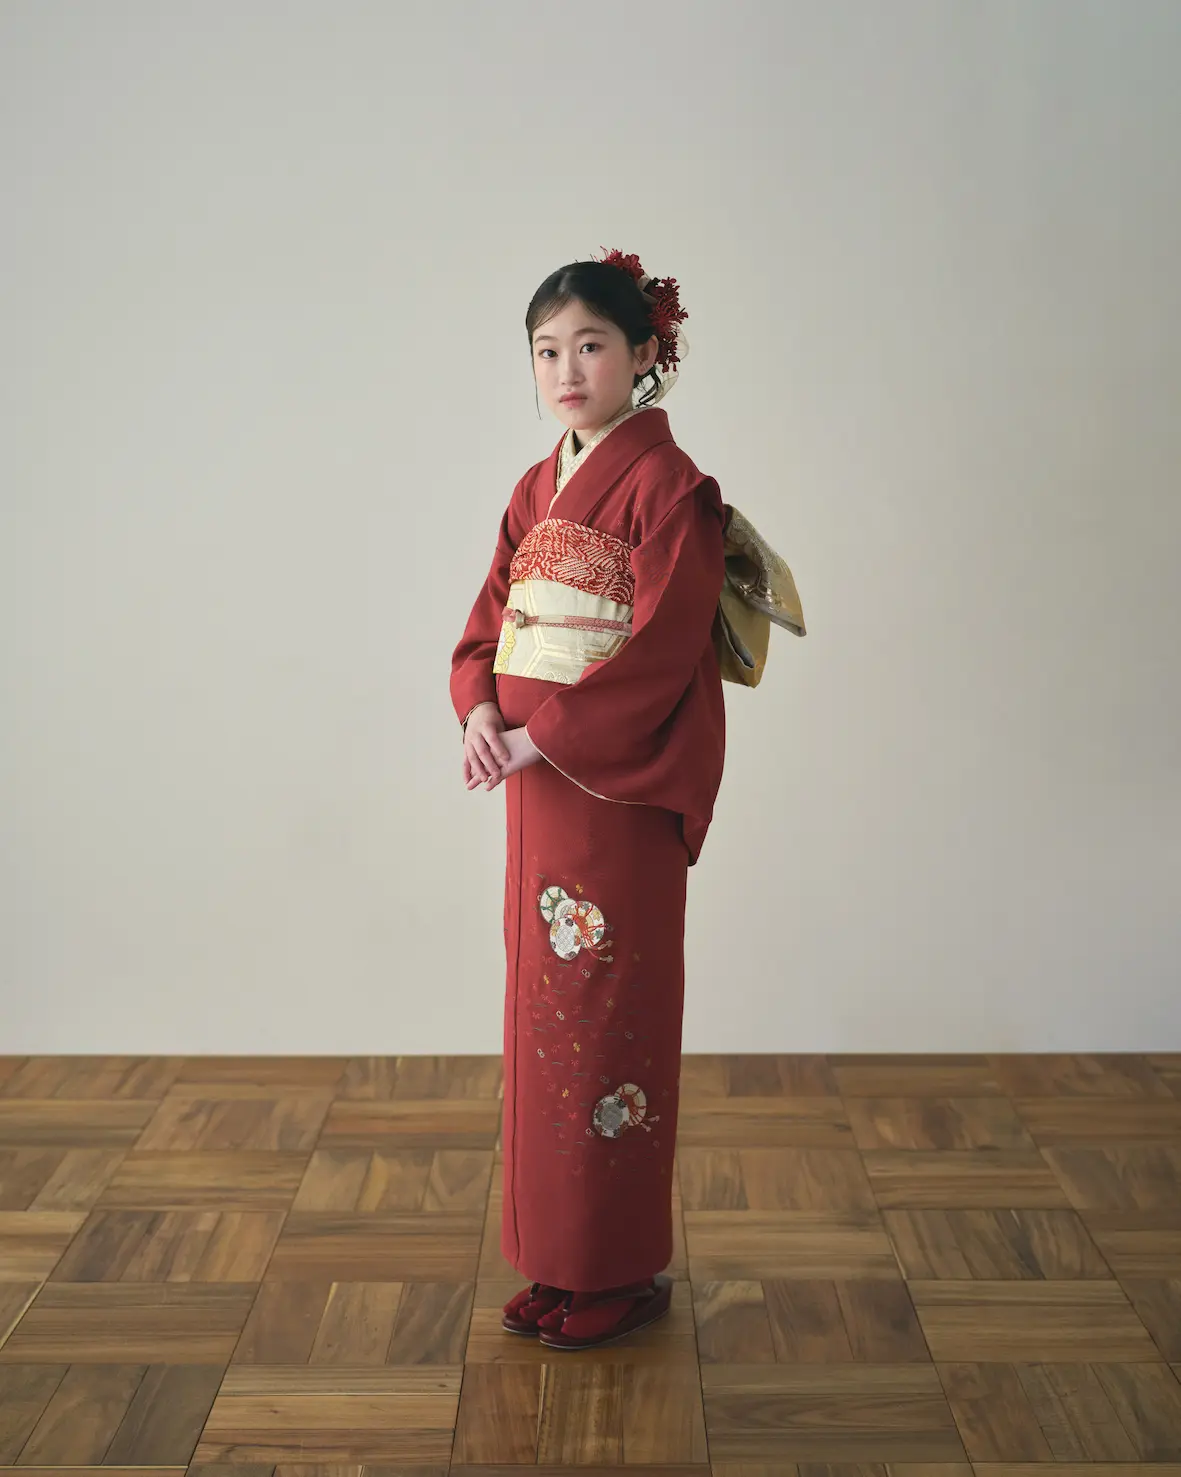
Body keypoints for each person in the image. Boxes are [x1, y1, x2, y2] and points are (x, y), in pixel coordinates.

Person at [449, 248, 727, 1351]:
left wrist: (538, 735)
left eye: (591, 346)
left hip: (615, 789)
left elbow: (660, 649)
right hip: (537, 796)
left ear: (644, 353)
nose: (566, 371)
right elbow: (489, 619)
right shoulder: (536, 487)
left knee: (609, 1013)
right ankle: (557, 1259)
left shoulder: (670, 487)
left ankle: (615, 1267)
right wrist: (479, 707)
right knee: (543, 1012)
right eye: (546, 351)